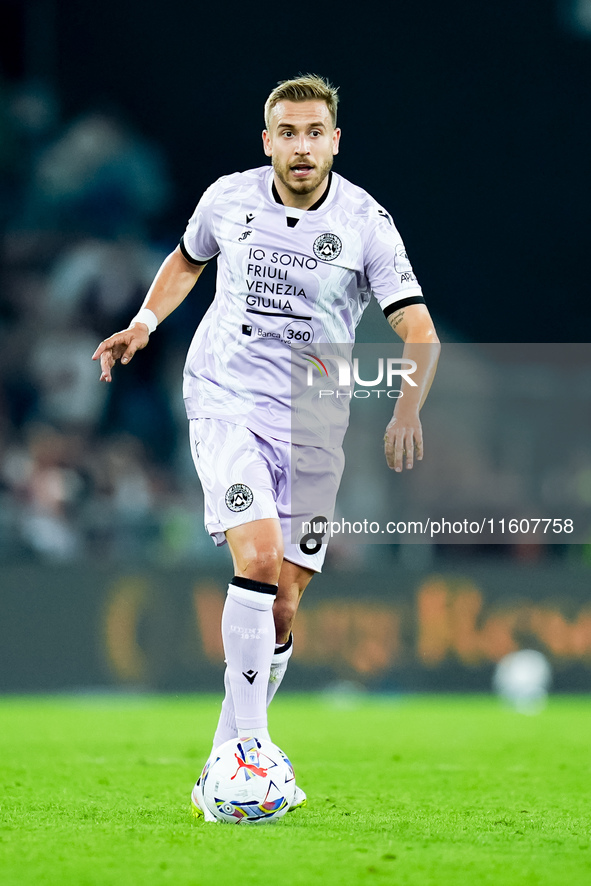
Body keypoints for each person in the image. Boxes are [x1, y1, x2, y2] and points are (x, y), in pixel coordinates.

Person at [92, 74, 440, 818]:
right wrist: (145, 324)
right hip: (226, 400)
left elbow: (418, 330)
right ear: (268, 141)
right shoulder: (229, 198)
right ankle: (252, 747)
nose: (302, 146)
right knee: (253, 556)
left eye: (315, 132)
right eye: (287, 133)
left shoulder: (366, 224)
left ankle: (224, 765)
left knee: (282, 599)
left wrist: (405, 412)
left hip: (314, 424)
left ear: (334, 140)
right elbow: (188, 258)